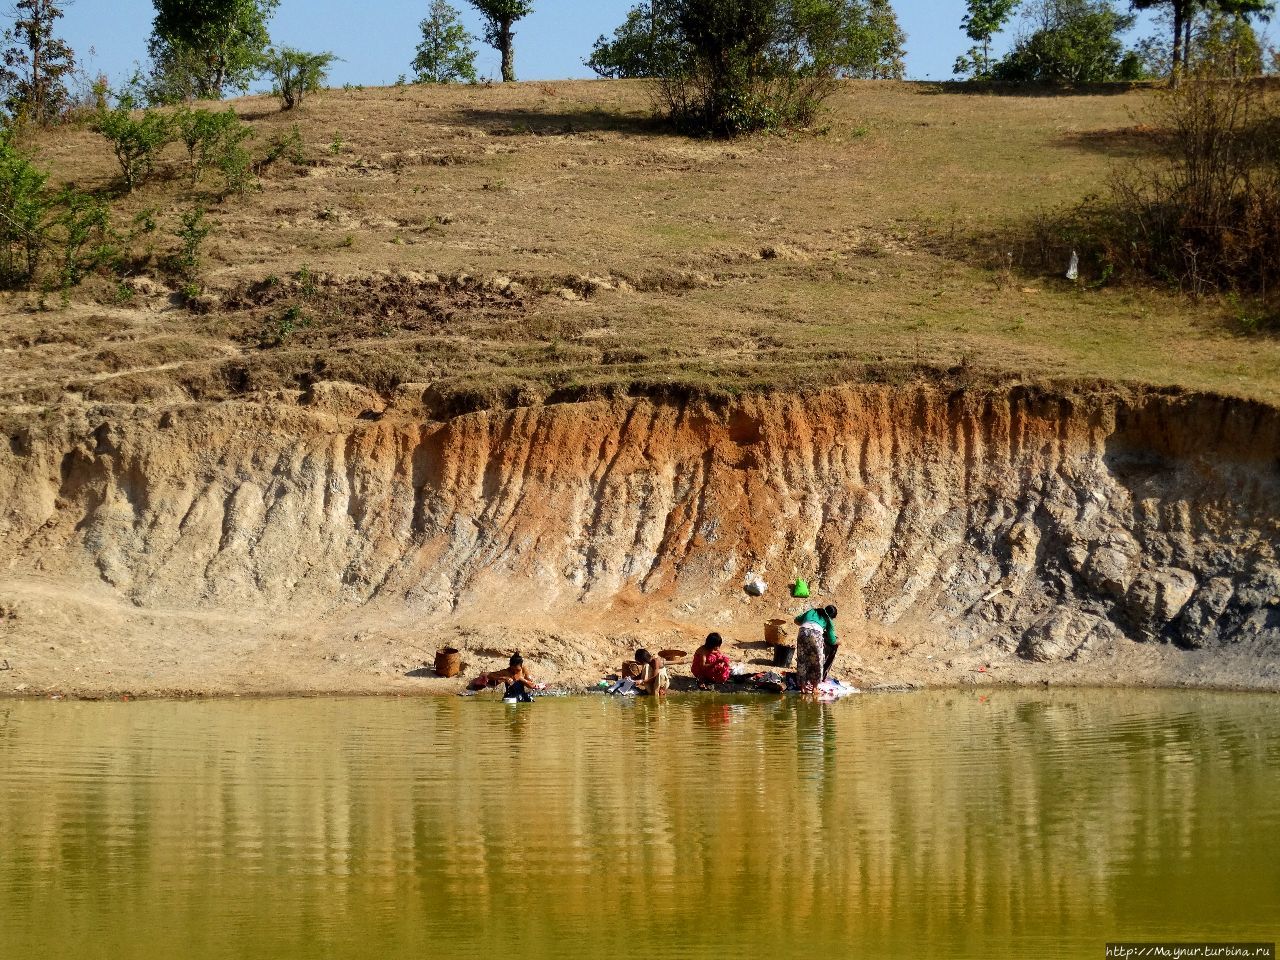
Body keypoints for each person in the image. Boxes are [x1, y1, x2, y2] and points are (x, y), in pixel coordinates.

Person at [794, 604, 838, 689]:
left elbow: (796, 620)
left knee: (802, 659)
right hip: (816, 635)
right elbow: (832, 641)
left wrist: (808, 622)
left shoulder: (812, 611)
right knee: (817, 661)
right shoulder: (828, 620)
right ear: (831, 616)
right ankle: (815, 688)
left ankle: (803, 687)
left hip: (802, 633)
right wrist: (839, 642)